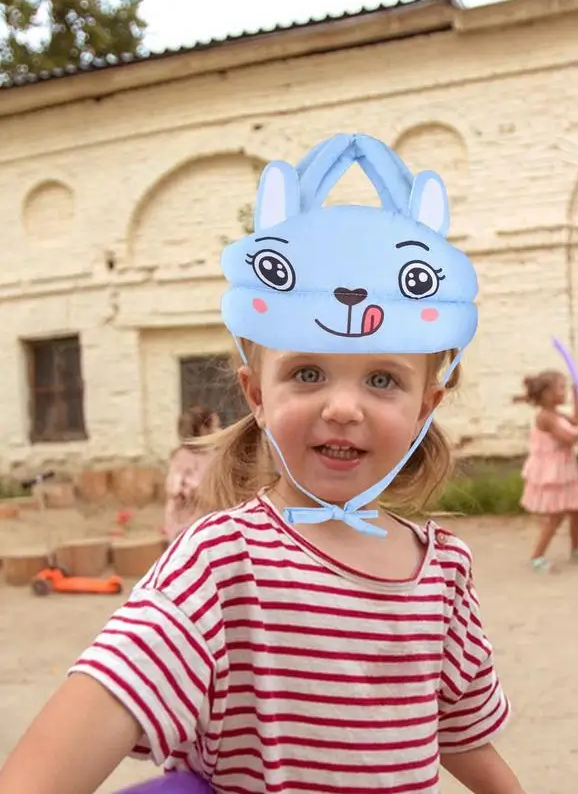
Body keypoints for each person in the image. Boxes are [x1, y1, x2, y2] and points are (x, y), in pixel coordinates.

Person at [0, 134, 523, 794]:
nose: (343, 407)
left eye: (383, 380)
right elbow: (55, 758)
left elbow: (457, 732)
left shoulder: (444, 570)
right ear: (256, 395)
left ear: (426, 406)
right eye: (307, 372)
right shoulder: (220, 563)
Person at [514, 370, 578, 574]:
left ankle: (576, 549)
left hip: (564, 471)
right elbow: (569, 437)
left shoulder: (557, 413)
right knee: (556, 515)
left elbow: (575, 421)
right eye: (561, 388)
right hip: (553, 473)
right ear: (547, 394)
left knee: (576, 509)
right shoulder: (545, 417)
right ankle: (537, 556)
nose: (564, 392)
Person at [162, 405, 221, 543]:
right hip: (186, 521)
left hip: (209, 516)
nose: (219, 431)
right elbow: (173, 486)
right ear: (202, 430)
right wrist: (191, 490)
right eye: (214, 428)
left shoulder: (212, 454)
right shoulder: (182, 457)